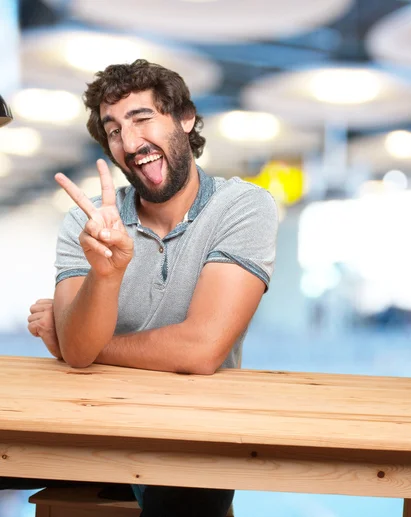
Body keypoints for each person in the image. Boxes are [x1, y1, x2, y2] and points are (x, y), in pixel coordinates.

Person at [23, 59, 279, 517]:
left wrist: (73, 340)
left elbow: (201, 349)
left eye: (143, 119)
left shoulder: (242, 207)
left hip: (189, 435)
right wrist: (107, 273)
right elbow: (79, 352)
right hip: (87, 423)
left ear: (185, 118)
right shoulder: (87, 220)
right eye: (114, 130)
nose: (130, 142)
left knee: (187, 499)